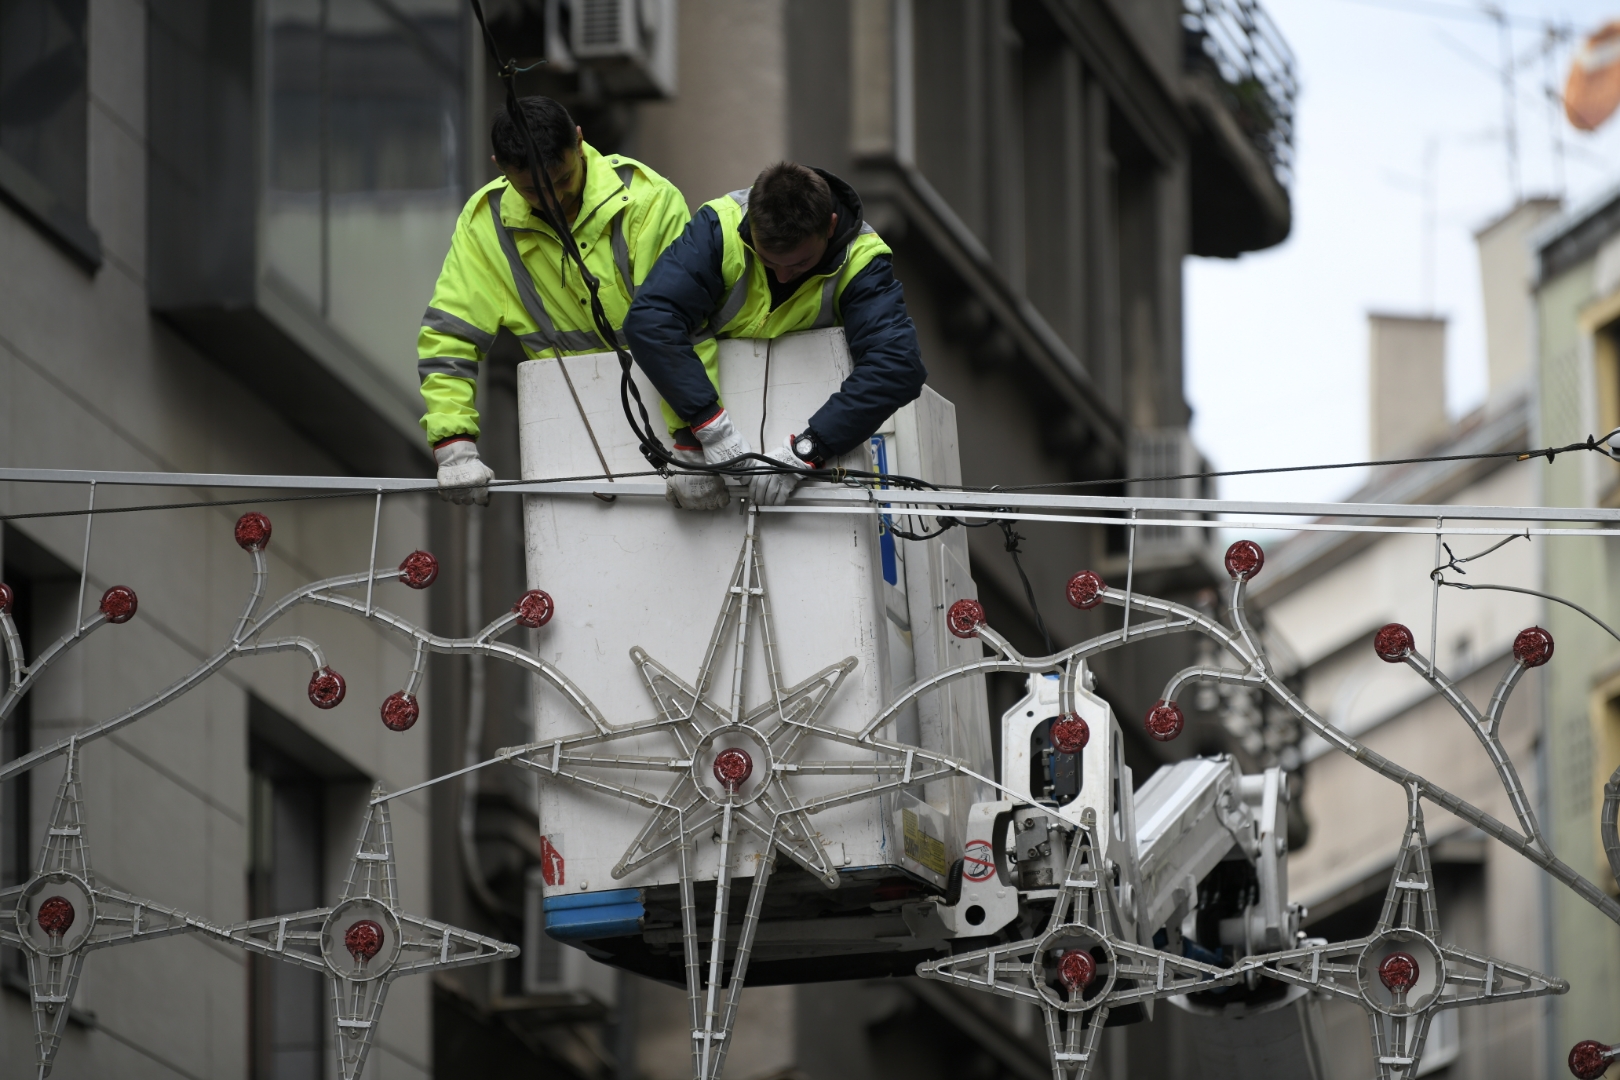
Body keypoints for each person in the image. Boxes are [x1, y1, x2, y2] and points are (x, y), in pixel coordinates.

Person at [418, 97, 690, 504]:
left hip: (669, 405)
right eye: (531, 189)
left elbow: (680, 325)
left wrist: (691, 436)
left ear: (579, 142)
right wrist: (454, 446)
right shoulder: (484, 225)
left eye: (562, 180)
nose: (552, 199)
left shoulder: (648, 201)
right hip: (569, 423)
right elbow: (450, 338)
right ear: (500, 166)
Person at [622, 162, 926, 510]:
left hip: (812, 467)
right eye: (769, 261)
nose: (782, 277)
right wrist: (703, 430)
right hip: (703, 430)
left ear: (830, 227)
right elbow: (651, 319)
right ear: (751, 220)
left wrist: (807, 452)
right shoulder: (719, 228)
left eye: (798, 264)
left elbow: (897, 365)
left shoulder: (862, 261)